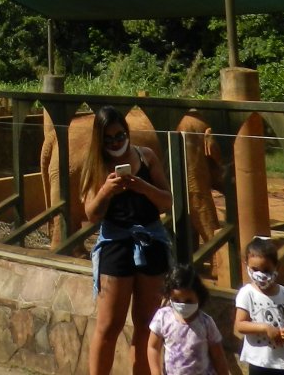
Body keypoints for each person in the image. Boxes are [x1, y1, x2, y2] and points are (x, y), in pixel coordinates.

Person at [82, 105, 174, 375]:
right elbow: (91, 213)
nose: (115, 143)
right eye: (108, 139)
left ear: (127, 132)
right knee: (109, 325)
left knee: (147, 324)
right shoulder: (96, 165)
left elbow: (167, 201)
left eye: (120, 136)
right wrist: (106, 191)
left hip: (151, 242)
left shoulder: (147, 158)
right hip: (116, 246)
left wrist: (142, 187)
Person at [234, 236, 284, 375]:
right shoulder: (247, 293)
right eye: (255, 269)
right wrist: (265, 328)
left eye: (266, 270)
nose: (260, 274)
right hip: (259, 362)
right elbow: (240, 325)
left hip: (283, 362)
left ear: (276, 267)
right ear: (246, 264)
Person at [147, 263, 226, 375]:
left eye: (188, 301)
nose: (182, 305)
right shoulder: (163, 317)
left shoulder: (206, 323)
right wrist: (156, 372)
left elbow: (218, 356)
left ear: (199, 297)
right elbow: (153, 347)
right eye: (176, 300)